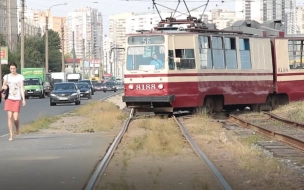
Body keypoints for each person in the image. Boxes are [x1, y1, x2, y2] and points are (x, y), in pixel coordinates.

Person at [1, 62, 26, 141]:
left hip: (17, 98)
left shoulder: (20, 77)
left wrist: (23, 99)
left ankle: (17, 127)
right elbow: (3, 86)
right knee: (10, 117)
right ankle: (11, 135)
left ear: (16, 68)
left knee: (15, 118)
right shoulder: (7, 76)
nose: (12, 70)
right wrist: (4, 87)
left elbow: (22, 88)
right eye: (11, 68)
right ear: (9, 69)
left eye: (14, 68)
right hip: (9, 98)